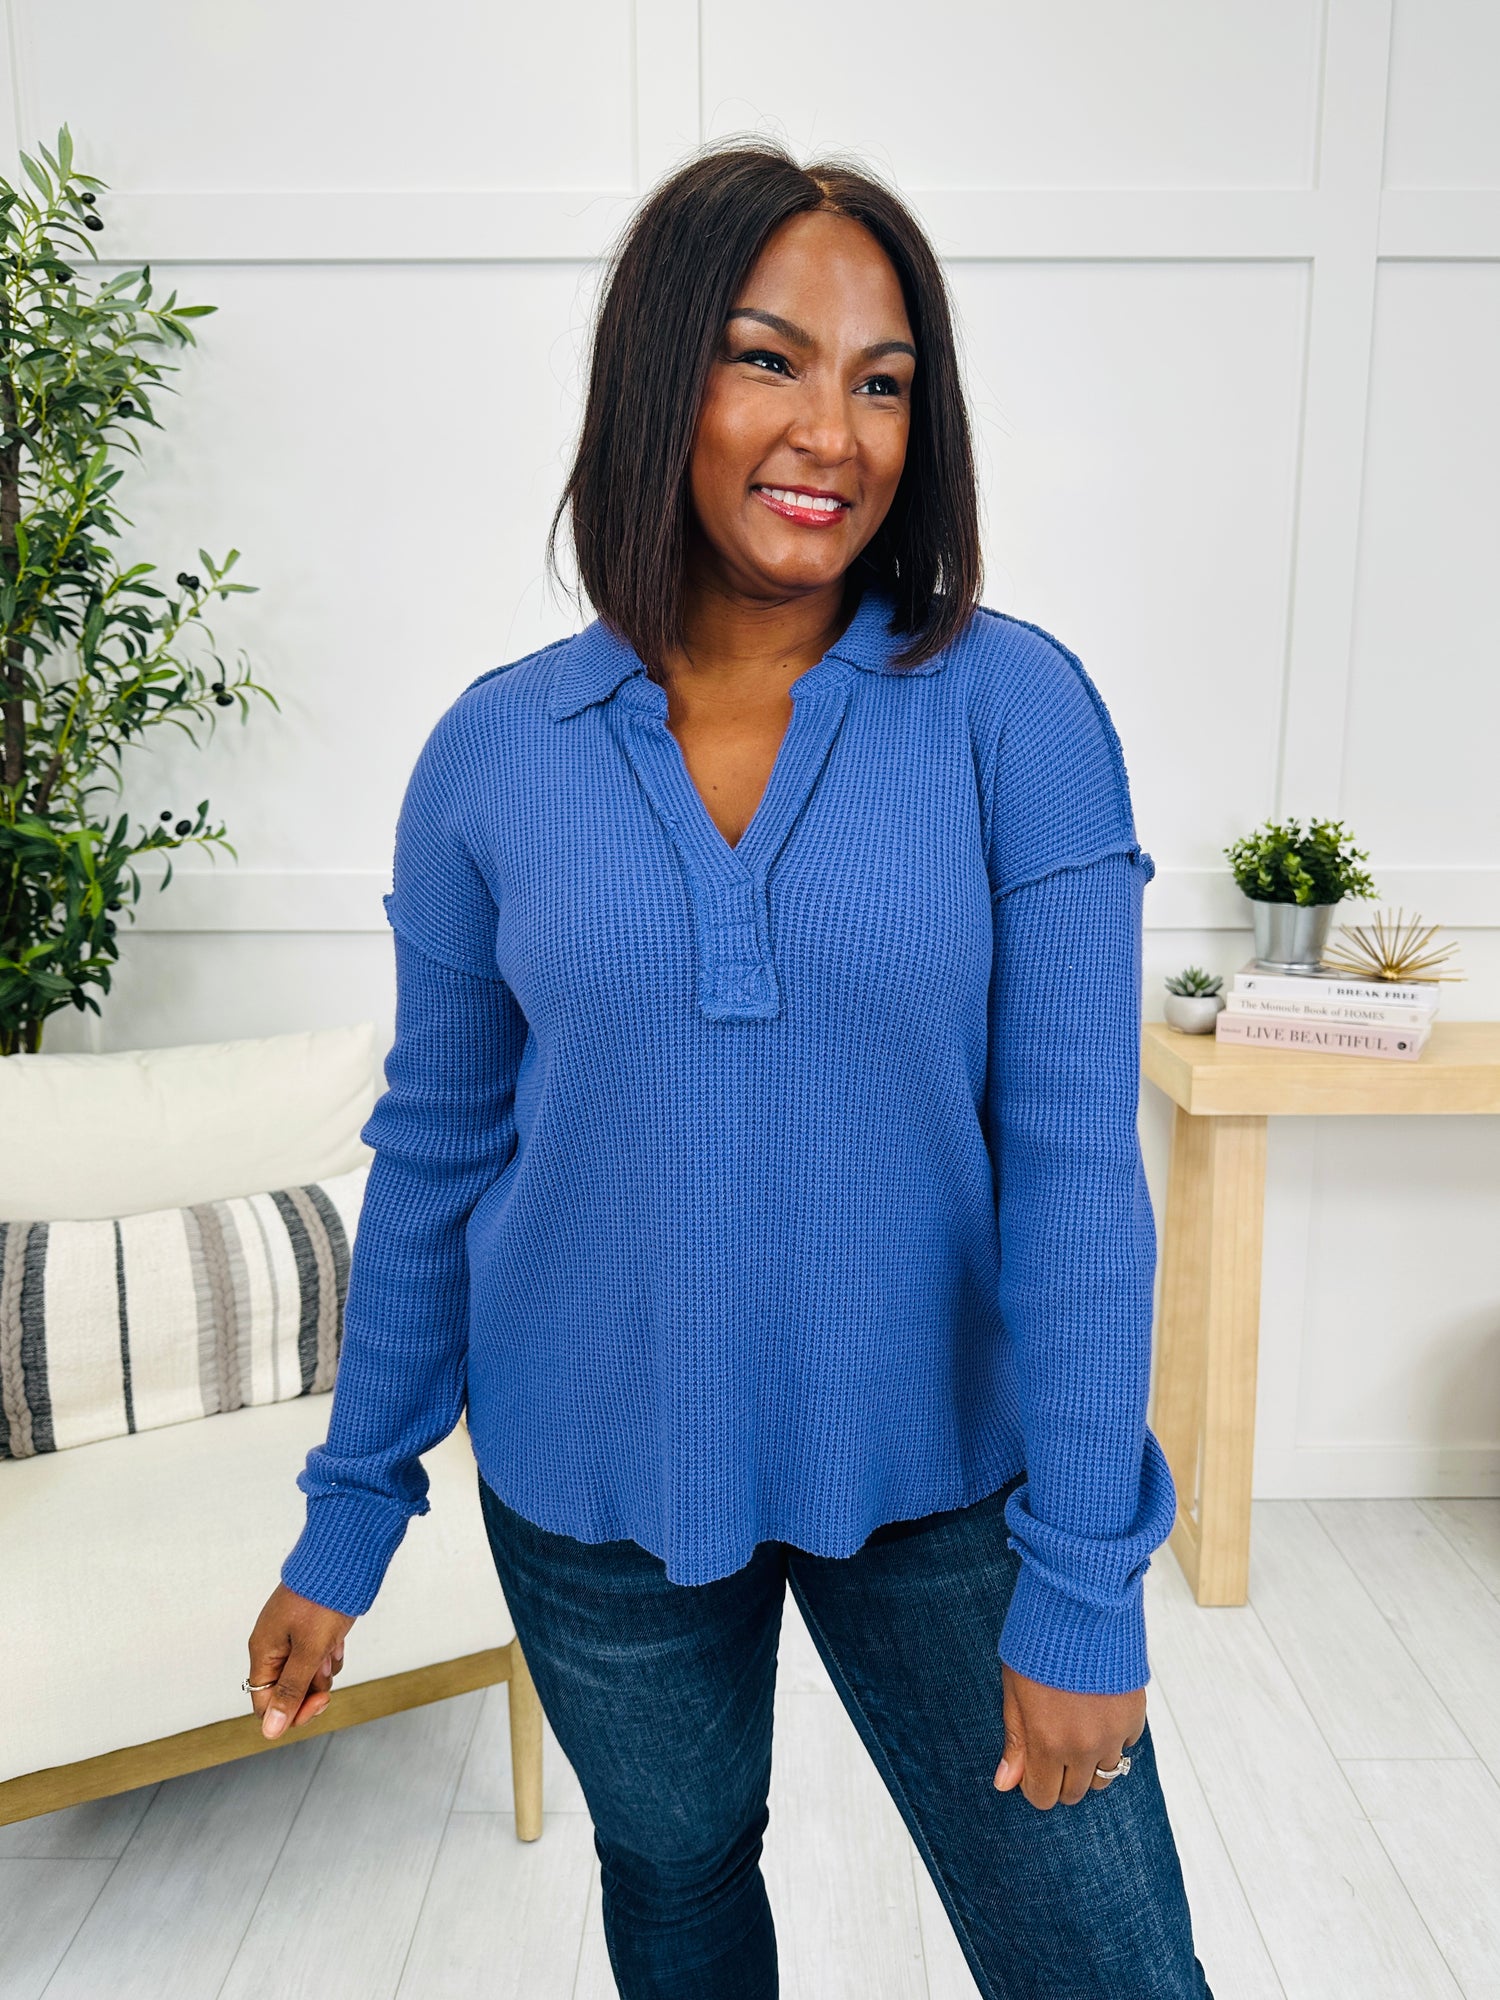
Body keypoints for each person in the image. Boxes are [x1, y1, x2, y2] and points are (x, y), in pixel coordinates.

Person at [246, 141, 1214, 2000]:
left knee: (1104, 1961)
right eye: (769, 360)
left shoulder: (1017, 714)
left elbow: (1078, 1170)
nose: (832, 433)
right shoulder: (491, 754)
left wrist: (1088, 1577)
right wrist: (351, 1507)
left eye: (883, 382)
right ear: (660, 378)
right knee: (680, 1885)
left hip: (950, 1478)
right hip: (591, 1475)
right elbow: (439, 1154)